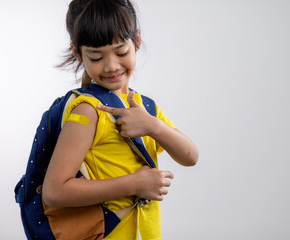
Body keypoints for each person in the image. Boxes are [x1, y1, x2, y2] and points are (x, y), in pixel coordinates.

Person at [42, 0, 199, 239]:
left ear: (136, 40)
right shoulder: (88, 110)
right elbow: (55, 191)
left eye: (121, 51)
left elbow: (190, 157)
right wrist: (134, 185)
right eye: (96, 57)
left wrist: (153, 125)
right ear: (77, 52)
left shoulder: (145, 107)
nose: (111, 66)